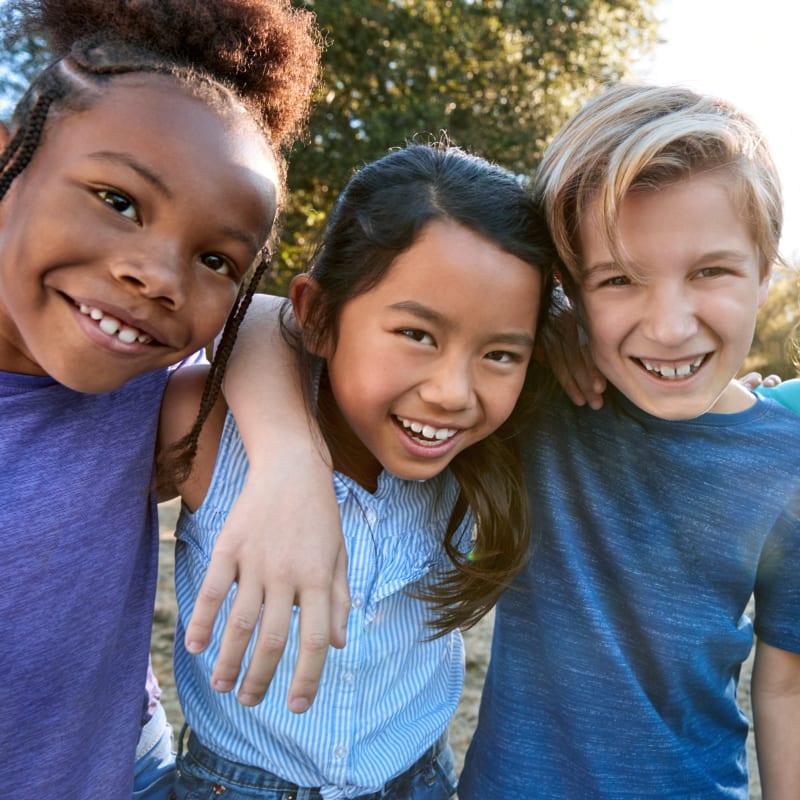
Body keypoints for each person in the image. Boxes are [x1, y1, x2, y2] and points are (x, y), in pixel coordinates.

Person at [0, 1, 346, 798]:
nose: (158, 276)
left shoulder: (136, 386)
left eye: (217, 258)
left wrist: (293, 463)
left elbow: (265, 324)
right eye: (118, 201)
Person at [157, 142, 555, 799]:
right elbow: (248, 310)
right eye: (417, 335)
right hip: (233, 784)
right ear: (318, 315)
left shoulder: (490, 454)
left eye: (500, 354)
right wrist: (289, 460)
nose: (454, 392)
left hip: (417, 781)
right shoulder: (208, 428)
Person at [457, 83, 800, 799]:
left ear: (767, 269)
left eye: (710, 270)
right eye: (618, 279)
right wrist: (545, 320)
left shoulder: (788, 460)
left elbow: (787, 689)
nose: (669, 325)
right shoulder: (532, 391)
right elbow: (297, 323)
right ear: (570, 289)